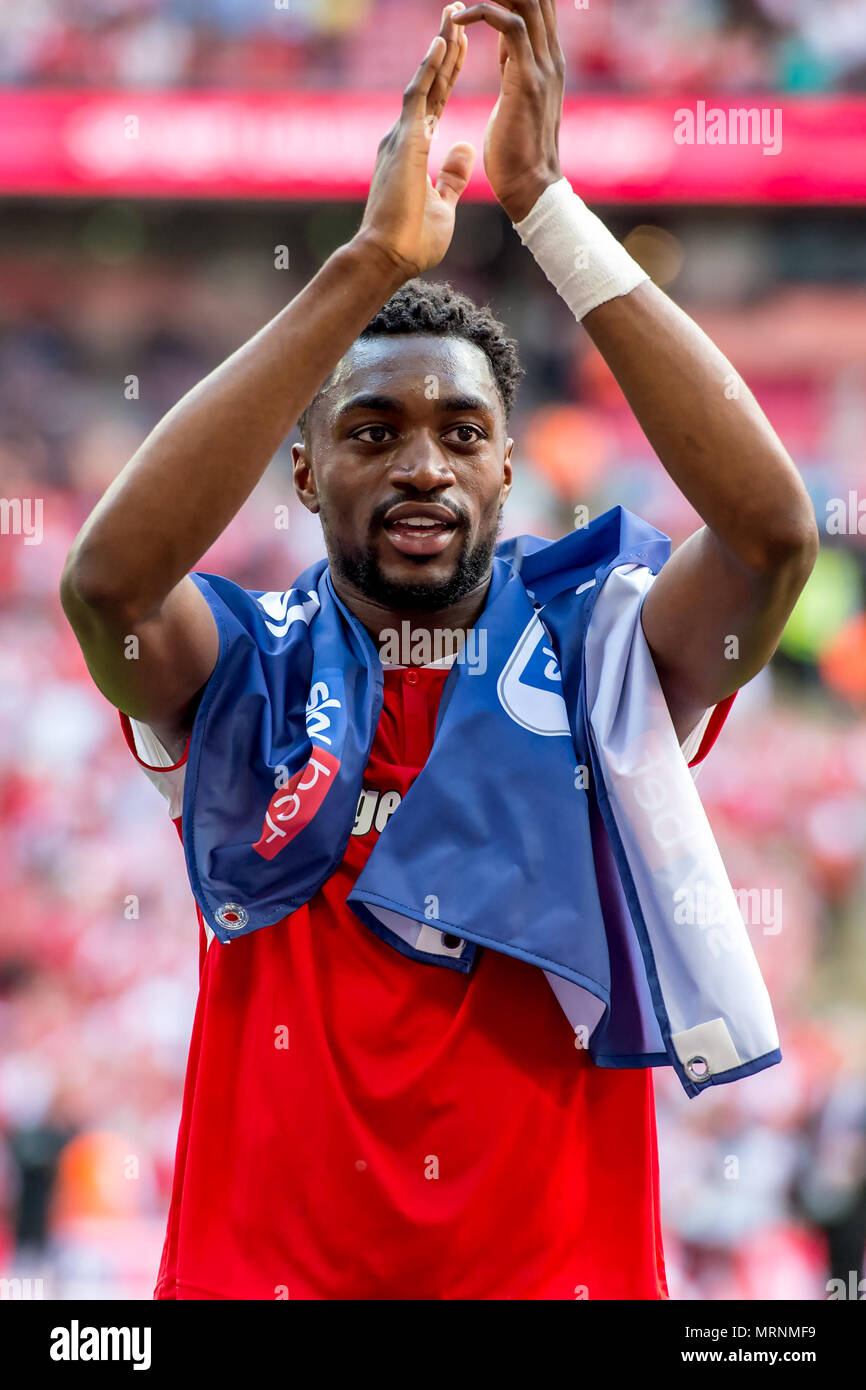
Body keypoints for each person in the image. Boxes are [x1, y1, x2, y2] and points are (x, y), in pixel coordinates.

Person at [60, 2, 817, 1300]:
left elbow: (771, 537)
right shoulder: (244, 670)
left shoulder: (599, 655)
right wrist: (362, 262)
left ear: (509, 466)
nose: (421, 463)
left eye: (461, 432)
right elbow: (107, 584)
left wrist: (548, 211)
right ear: (300, 468)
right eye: (370, 430)